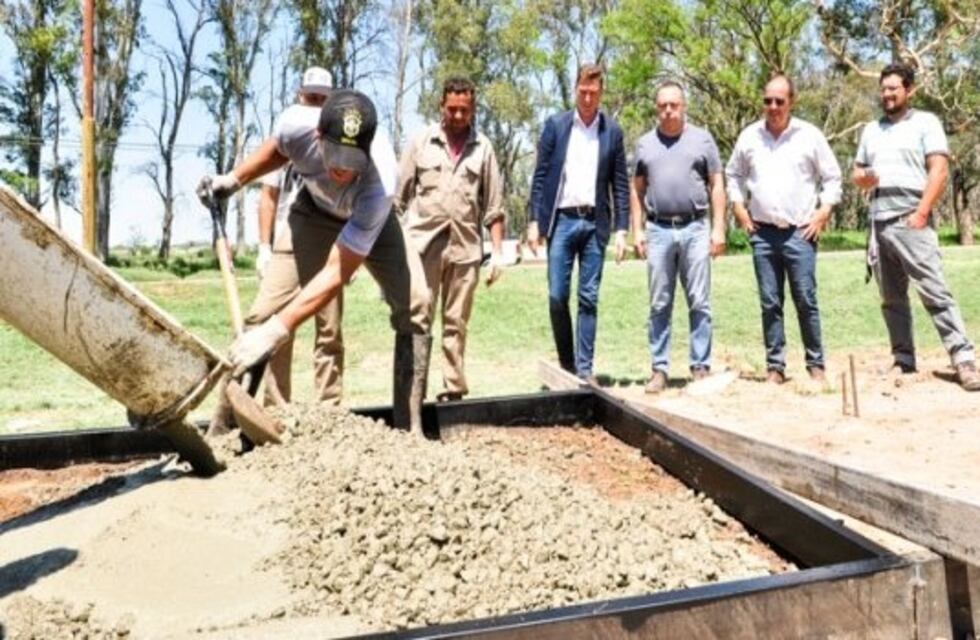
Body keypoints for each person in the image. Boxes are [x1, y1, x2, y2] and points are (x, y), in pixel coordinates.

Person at [197, 89, 432, 434]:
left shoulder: (381, 182)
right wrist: (233, 181)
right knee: (260, 316)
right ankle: (224, 432)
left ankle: (409, 432)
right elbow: (278, 150)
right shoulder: (296, 125)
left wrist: (279, 330)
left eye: (352, 161)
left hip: (371, 222)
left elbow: (337, 271)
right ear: (318, 135)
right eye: (334, 154)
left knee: (417, 303)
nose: (340, 168)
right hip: (312, 212)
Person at [852, 62, 980, 391]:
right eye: (883, 89)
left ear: (909, 90)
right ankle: (903, 359)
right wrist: (863, 178)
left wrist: (922, 212)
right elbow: (857, 174)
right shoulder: (871, 130)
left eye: (893, 88)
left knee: (935, 291)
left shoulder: (926, 123)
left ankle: (963, 358)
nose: (887, 94)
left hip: (912, 218)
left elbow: (938, 171)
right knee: (891, 298)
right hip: (879, 223)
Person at [725, 74, 842, 384]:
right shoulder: (750, 136)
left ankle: (815, 364)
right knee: (770, 302)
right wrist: (738, 207)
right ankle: (775, 367)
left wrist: (823, 212)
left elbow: (833, 177)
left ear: (792, 102)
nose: (773, 107)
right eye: (767, 101)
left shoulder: (809, 135)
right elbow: (733, 174)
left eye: (779, 101)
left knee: (805, 298)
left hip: (800, 233)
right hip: (762, 233)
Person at [396, 77, 505, 402]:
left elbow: (494, 206)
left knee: (456, 323)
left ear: (473, 109)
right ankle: (412, 395)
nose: (458, 116)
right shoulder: (420, 143)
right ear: (441, 106)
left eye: (464, 110)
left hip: (465, 250)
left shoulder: (483, 148)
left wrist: (497, 253)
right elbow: (396, 201)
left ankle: (453, 392)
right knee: (418, 318)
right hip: (422, 249)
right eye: (452, 109)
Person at [528, 63, 630, 383]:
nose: (587, 97)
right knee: (558, 295)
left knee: (588, 297)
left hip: (594, 225)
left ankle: (584, 371)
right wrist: (534, 220)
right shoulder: (556, 126)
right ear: (576, 90)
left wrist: (623, 229)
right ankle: (567, 365)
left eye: (593, 92)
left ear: (601, 93)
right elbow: (541, 176)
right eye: (583, 91)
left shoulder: (611, 131)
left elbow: (621, 184)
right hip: (562, 222)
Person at [252, 66, 346, 409]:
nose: (316, 106)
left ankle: (329, 408)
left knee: (329, 326)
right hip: (292, 233)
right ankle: (276, 406)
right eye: (311, 98)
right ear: (299, 95)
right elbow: (268, 195)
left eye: (323, 101)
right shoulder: (288, 134)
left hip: (330, 236)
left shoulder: (336, 138)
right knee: (269, 318)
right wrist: (264, 246)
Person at [631, 81, 726, 394]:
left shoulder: (703, 140)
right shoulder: (645, 144)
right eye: (662, 105)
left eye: (673, 104)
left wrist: (718, 227)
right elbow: (637, 188)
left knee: (700, 301)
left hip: (695, 227)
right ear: (656, 108)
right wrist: (638, 229)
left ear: (684, 106)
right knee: (659, 302)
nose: (668, 110)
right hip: (658, 229)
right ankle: (659, 369)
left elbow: (716, 184)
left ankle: (700, 366)